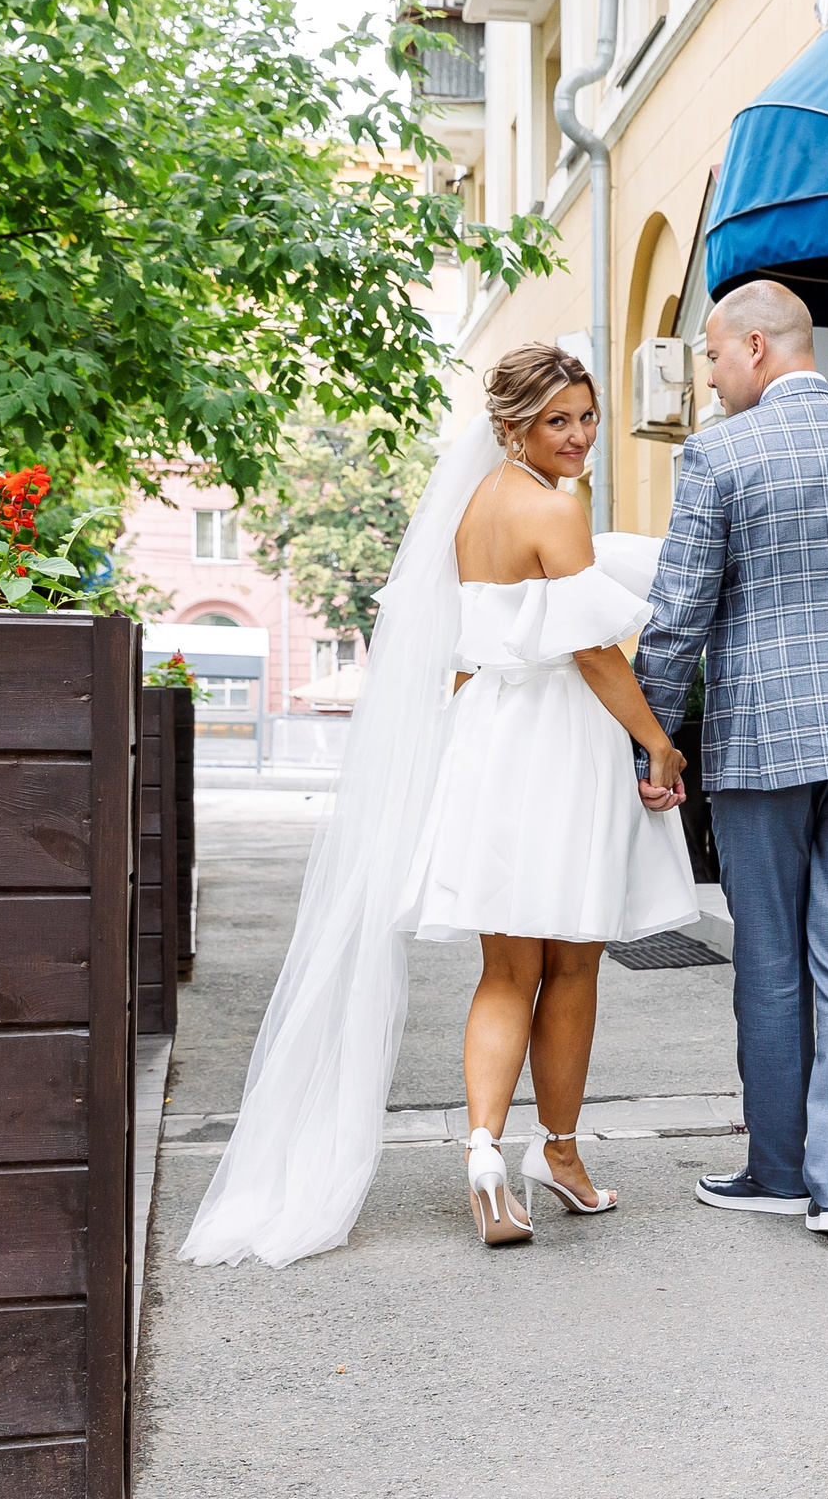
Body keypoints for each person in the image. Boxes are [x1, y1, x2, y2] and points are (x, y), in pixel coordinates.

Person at [180, 344, 695, 1269]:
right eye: (558, 421)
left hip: (490, 738)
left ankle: (486, 1152)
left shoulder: (469, 506)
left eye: (586, 416)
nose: (580, 436)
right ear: (513, 427)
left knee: (506, 969)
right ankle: (561, 1156)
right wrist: (657, 741)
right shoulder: (555, 510)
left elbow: (458, 650)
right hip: (559, 740)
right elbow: (593, 653)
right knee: (573, 963)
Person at [633, 280, 828, 1239]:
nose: (708, 376)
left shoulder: (719, 454)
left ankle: (776, 1171)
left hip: (761, 739)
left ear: (757, 347)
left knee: (771, 957)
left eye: (712, 355)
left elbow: (678, 613)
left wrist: (653, 739)